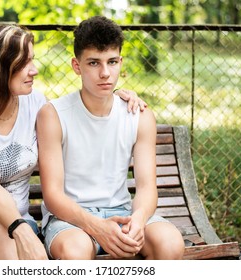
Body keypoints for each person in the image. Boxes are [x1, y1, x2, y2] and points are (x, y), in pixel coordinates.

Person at [0, 23, 147, 260]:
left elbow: (79, 111)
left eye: (32, 60)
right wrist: (20, 229)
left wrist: (116, 95)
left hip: (17, 225)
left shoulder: (35, 104)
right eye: (24, 63)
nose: (34, 70)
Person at [36, 16, 185, 260]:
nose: (105, 73)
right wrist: (96, 226)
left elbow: (147, 187)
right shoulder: (53, 115)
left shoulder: (139, 115)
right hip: (72, 219)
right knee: (75, 252)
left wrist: (138, 219)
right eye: (94, 63)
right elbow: (53, 195)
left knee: (169, 243)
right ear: (77, 66)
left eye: (112, 62)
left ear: (120, 62)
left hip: (123, 212)